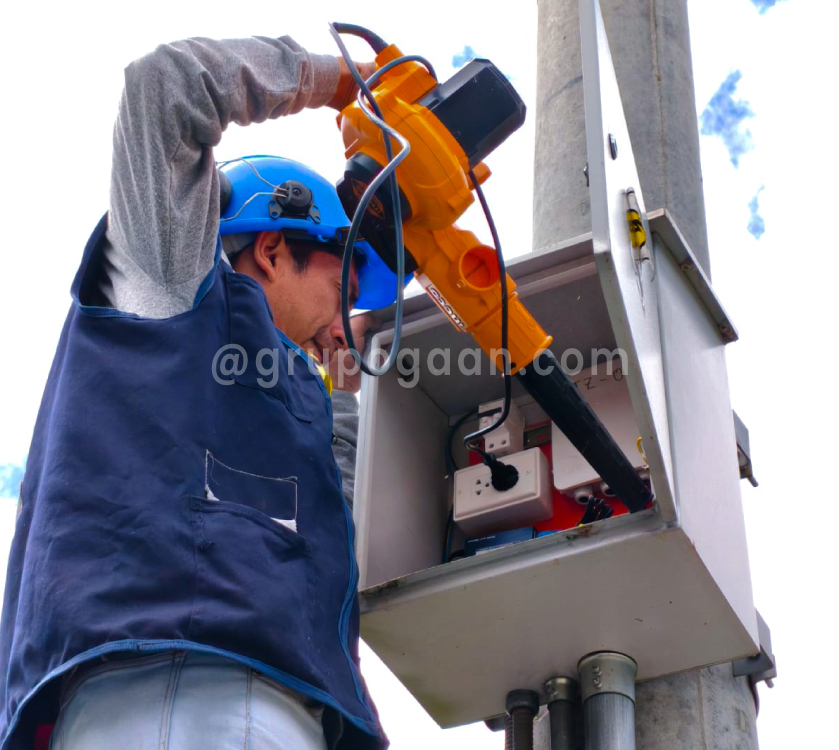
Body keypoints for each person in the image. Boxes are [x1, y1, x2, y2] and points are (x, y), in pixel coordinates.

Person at [0, 35, 396, 750]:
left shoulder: (283, 400)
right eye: (340, 287)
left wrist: (340, 386)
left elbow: (333, 516)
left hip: (285, 704)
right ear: (273, 249)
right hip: (182, 689)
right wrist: (344, 83)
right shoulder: (174, 289)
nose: (345, 323)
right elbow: (164, 88)